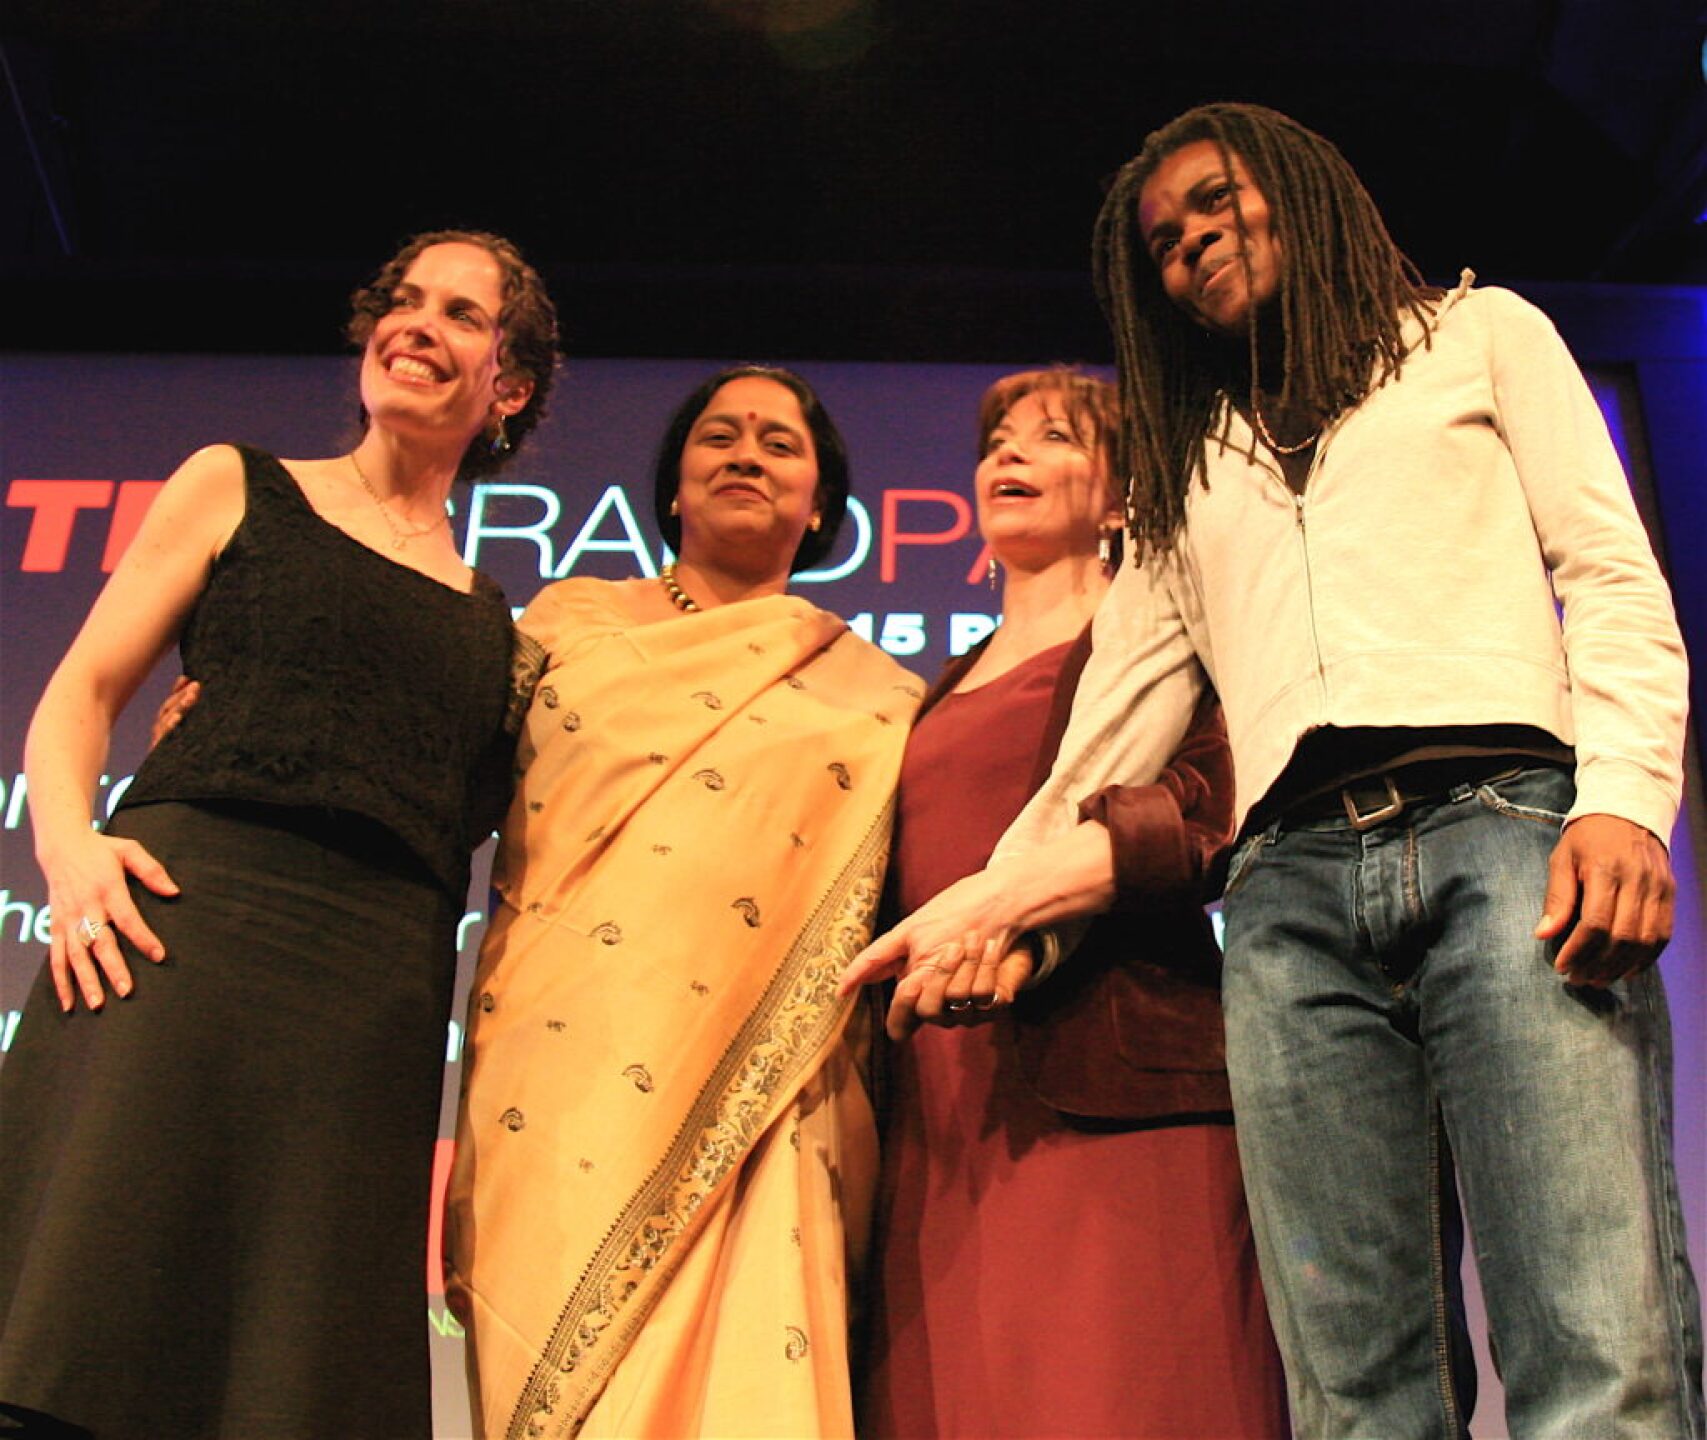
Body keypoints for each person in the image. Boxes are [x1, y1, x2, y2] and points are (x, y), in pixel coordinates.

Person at [846, 103, 1701, 1437]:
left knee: (1590, 1338)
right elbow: (1113, 724)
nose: (1190, 241)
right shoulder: (1191, 461)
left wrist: (1620, 806)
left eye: (1212, 201)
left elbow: (1603, 575)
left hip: (1503, 836)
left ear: (1299, 190)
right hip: (1288, 903)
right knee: (1354, 1389)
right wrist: (998, 909)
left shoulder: (1478, 336)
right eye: (1163, 241)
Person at [0, 230, 558, 1439]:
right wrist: (69, 850)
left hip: (367, 1012)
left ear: (507, 387)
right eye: (401, 302)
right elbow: (81, 694)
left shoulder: (494, 623)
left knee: (282, 1381)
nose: (415, 325)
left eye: (461, 314)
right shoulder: (237, 483)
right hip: (178, 947)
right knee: (83, 1326)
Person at [443, 365, 922, 1440]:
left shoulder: (880, 698)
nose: (745, 454)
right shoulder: (571, 623)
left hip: (769, 1103)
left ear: (818, 505)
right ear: (671, 488)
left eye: (777, 444)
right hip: (558, 1074)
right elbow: (440, 770)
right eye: (719, 435)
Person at [853, 368, 1288, 1439]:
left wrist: (1015, 911)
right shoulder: (932, 689)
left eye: (1052, 437)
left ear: (1124, 493)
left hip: (1118, 1078)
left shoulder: (1164, 644)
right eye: (999, 439)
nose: (1010, 453)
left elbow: (1221, 805)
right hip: (942, 1106)